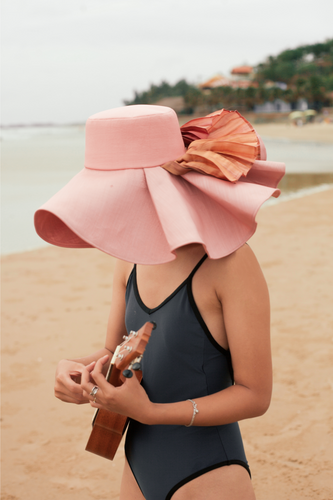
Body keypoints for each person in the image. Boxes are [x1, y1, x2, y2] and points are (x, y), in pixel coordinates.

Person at [34, 105, 285, 500]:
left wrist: (151, 413)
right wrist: (77, 372)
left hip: (210, 475)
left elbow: (255, 394)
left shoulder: (228, 263)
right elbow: (115, 350)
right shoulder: (128, 256)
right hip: (137, 468)